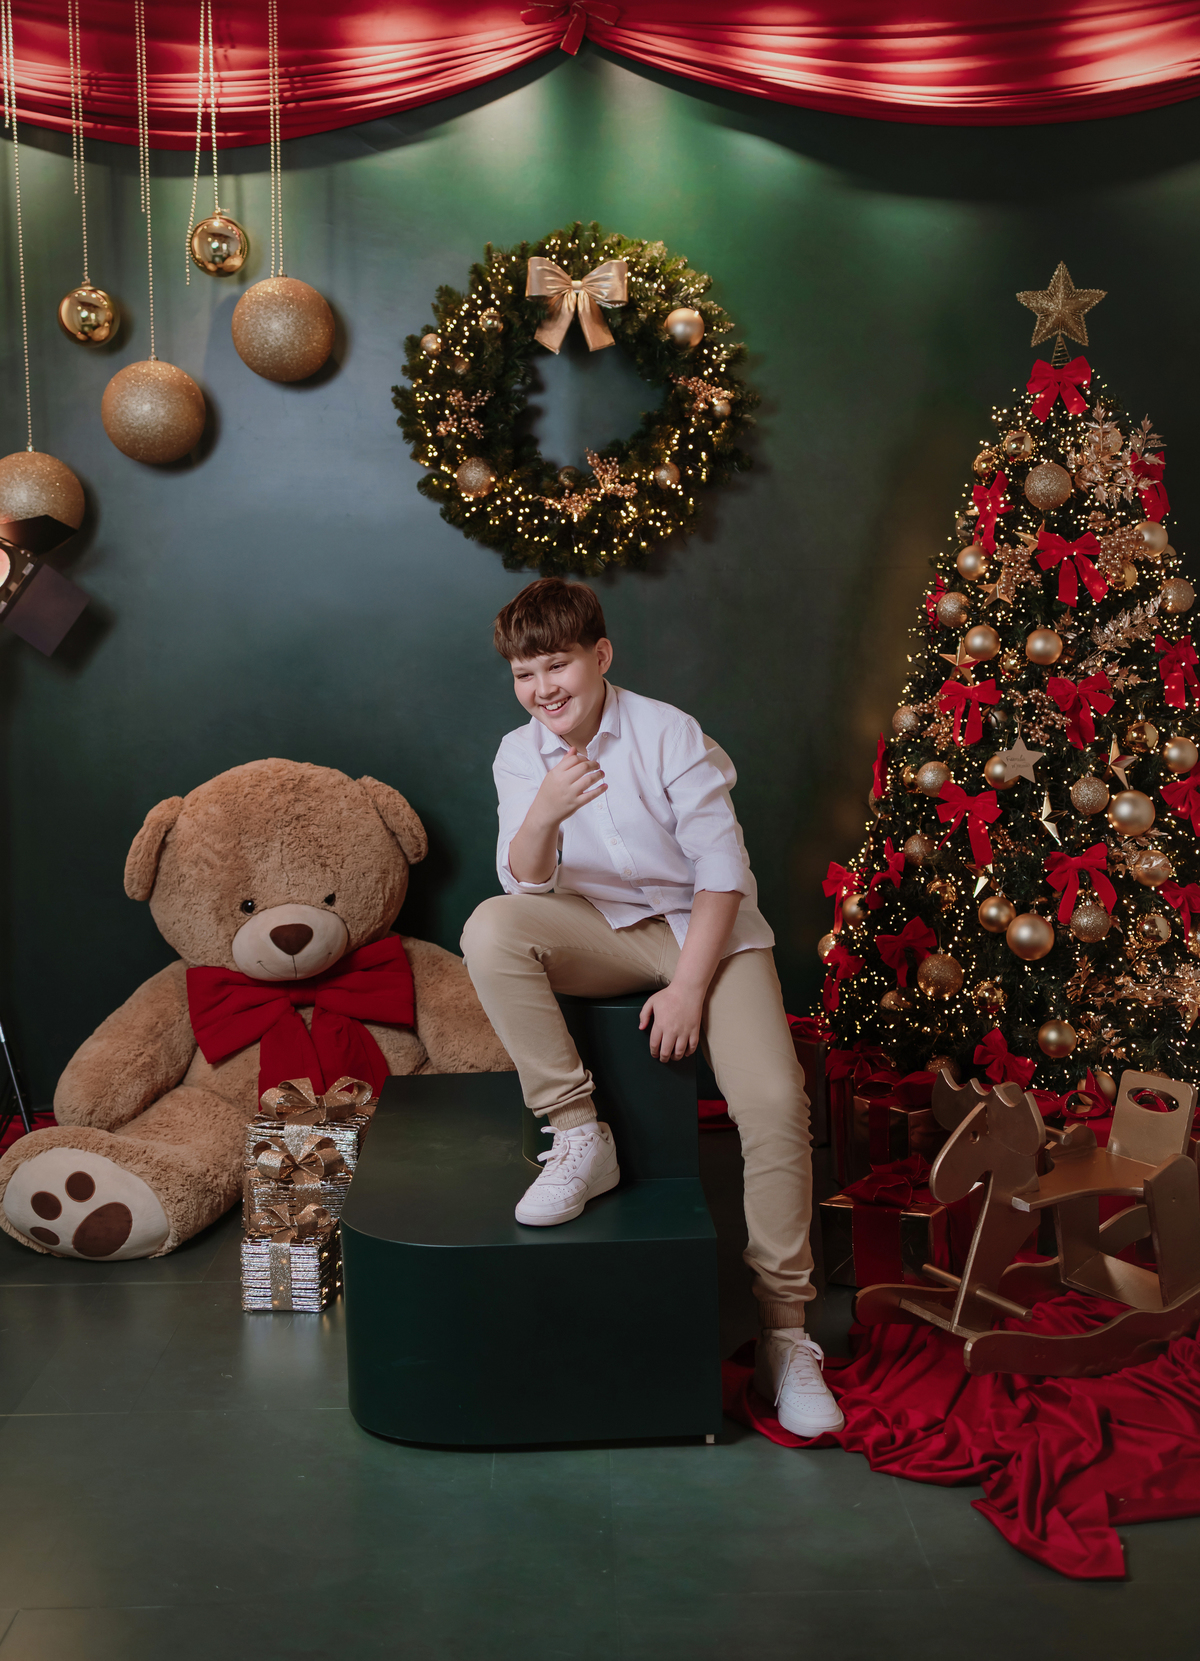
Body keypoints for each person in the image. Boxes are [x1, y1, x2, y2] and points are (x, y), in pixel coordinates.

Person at [460, 578, 843, 1437]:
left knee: (774, 1102)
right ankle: (577, 1132)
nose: (542, 688)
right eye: (524, 673)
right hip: (600, 928)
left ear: (600, 655)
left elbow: (722, 874)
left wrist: (688, 988)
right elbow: (524, 884)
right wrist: (544, 812)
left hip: (709, 931)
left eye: (557, 665)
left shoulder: (669, 733)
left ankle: (786, 1332)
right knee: (490, 929)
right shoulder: (519, 753)